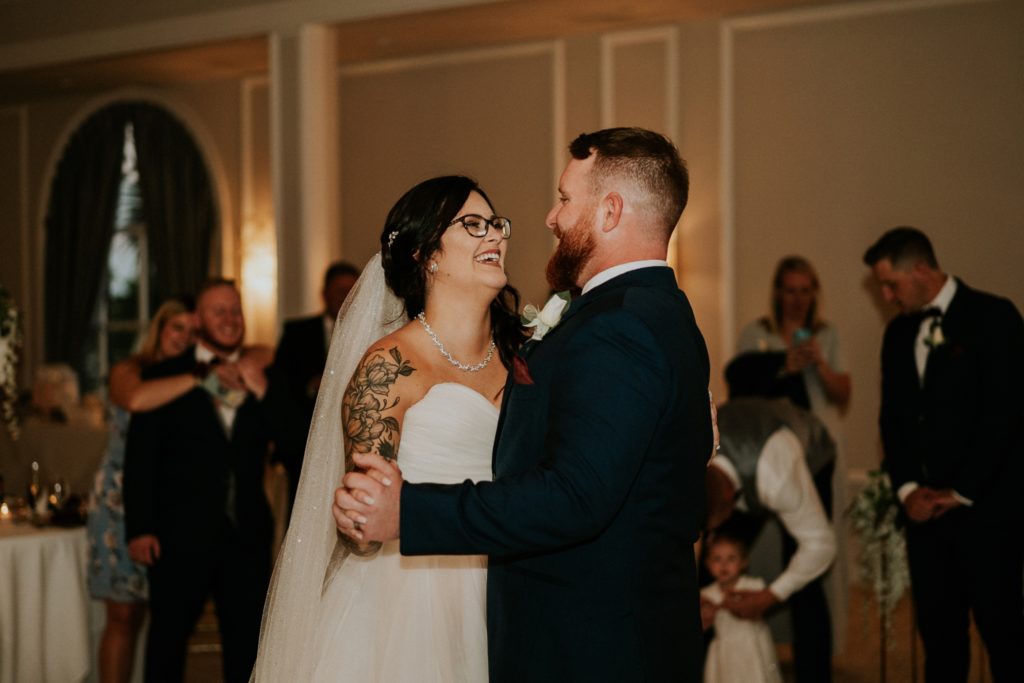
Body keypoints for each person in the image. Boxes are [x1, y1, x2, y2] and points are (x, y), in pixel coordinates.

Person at [338, 127, 713, 681]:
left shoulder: (618, 327)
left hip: (588, 638)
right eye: (473, 224)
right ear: (425, 256)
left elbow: (575, 493)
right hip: (431, 603)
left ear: (610, 212)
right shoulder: (653, 314)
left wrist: (410, 513)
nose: (549, 218)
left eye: (565, 198)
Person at [250, 175, 523, 681]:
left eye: (497, 224)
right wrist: (357, 519)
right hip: (409, 599)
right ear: (427, 255)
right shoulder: (389, 365)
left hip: (511, 578)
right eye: (473, 224)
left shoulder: (523, 354)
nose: (496, 236)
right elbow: (363, 533)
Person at [863, 226, 1024, 683]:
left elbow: (1006, 413)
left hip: (988, 512)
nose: (888, 296)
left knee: (1004, 635)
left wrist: (963, 490)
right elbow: (892, 419)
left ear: (921, 269)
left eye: (891, 284)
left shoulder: (994, 317)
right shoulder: (897, 335)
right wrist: (909, 488)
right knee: (939, 641)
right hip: (925, 519)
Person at [123, 279, 276, 683]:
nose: (229, 319)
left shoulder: (264, 372)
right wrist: (139, 527)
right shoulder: (164, 375)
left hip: (245, 533)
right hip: (177, 534)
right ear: (198, 320)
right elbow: (141, 457)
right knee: (167, 644)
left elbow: (297, 439)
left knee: (246, 646)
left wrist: (262, 389)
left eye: (235, 310)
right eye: (218, 311)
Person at [736, 255, 850, 654]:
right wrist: (781, 365)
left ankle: (813, 652)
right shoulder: (757, 333)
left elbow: (843, 395)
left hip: (815, 453)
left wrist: (817, 363)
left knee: (809, 546)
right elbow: (740, 386)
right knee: (763, 554)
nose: (798, 299)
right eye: (791, 290)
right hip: (767, 457)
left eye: (806, 291)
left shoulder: (826, 334)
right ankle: (755, 647)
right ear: (778, 292)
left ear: (813, 294)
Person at [706, 353, 837, 683]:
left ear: (729, 502)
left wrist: (771, 595)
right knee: (712, 568)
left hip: (809, 451)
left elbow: (821, 545)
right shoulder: (695, 452)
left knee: (804, 579)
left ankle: (814, 674)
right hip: (742, 461)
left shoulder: (776, 474)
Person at [87, 298, 196, 683]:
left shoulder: (188, 374)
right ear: (159, 330)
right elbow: (135, 399)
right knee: (122, 614)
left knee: (153, 614)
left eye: (193, 332)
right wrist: (201, 376)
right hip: (118, 502)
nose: (184, 338)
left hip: (160, 502)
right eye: (176, 328)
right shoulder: (129, 370)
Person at [269, 261, 360, 508]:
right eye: (339, 290)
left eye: (351, 291)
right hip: (304, 444)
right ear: (324, 294)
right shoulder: (297, 332)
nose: (345, 297)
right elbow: (281, 386)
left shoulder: (370, 336)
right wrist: (313, 387)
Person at [700, 528, 782, 683]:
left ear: (743, 562)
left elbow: (762, 611)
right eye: (717, 559)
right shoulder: (707, 594)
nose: (724, 564)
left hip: (751, 647)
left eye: (731, 558)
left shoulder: (753, 587)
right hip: (724, 652)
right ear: (708, 564)